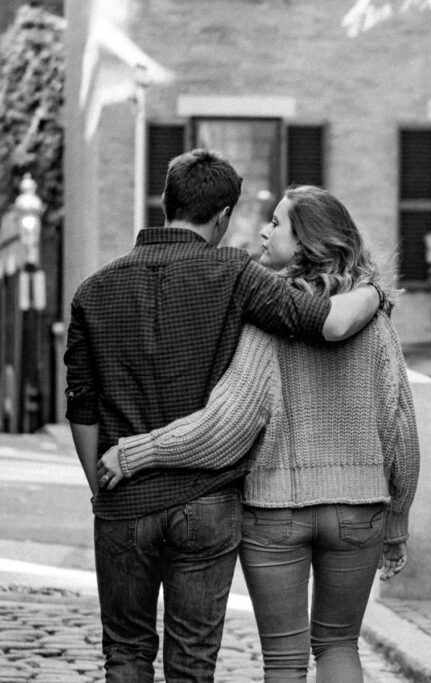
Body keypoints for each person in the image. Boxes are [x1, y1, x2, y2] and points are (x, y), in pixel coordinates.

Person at [64, 151, 383, 683]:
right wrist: (374, 290)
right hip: (207, 502)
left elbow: (82, 404)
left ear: (166, 202)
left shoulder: (93, 290)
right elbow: (325, 323)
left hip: (124, 497)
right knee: (192, 663)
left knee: (125, 653)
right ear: (223, 215)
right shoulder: (236, 274)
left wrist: (100, 486)